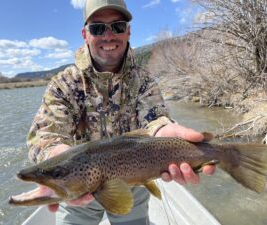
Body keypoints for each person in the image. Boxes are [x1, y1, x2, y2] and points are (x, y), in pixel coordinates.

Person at [26, 1, 215, 224]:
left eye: (117, 26)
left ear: (128, 31)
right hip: (78, 186)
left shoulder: (143, 80)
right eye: (97, 28)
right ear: (85, 34)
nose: (108, 36)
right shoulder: (64, 83)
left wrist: (164, 130)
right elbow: (45, 135)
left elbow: (155, 120)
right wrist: (58, 162)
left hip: (133, 183)